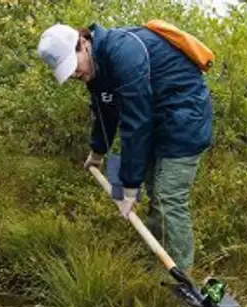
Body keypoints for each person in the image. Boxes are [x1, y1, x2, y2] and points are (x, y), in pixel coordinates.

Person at [37, 22, 214, 272]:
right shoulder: (97, 66)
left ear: (84, 43)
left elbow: (135, 122)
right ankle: (161, 263)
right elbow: (105, 111)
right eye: (68, 71)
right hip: (157, 118)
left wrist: (130, 187)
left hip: (185, 117)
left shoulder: (123, 53)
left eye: (74, 65)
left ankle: (182, 277)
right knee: (155, 191)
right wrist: (97, 152)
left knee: (168, 197)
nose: (75, 74)